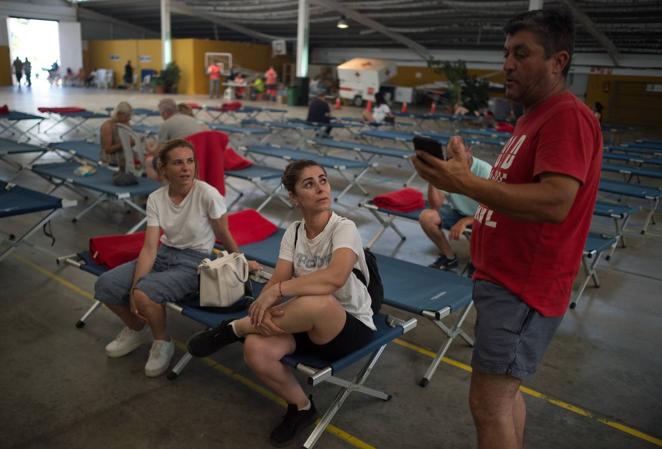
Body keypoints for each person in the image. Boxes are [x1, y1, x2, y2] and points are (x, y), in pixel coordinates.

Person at [411, 8, 602, 449]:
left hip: (525, 289)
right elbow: (508, 193)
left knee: (489, 404)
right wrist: (466, 177)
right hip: (504, 282)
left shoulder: (565, 116)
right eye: (505, 53)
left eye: (521, 53)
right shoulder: (530, 117)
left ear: (559, 61)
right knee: (504, 398)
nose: (507, 64)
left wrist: (464, 182)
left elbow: (556, 202)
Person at [187, 160, 376, 447]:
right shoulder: (295, 232)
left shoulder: (344, 228)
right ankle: (301, 407)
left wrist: (279, 291)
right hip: (305, 322)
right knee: (256, 348)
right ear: (294, 197)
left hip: (349, 325)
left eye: (322, 180)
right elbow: (277, 280)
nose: (320, 188)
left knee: (318, 301)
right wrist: (265, 298)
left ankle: (233, 329)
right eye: (308, 184)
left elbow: (335, 278)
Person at [94, 139, 262, 377]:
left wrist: (241, 262)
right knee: (106, 285)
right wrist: (133, 288)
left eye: (190, 161)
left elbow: (223, 234)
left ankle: (162, 341)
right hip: (163, 253)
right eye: (178, 163)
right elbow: (150, 247)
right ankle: (135, 327)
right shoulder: (156, 198)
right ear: (164, 169)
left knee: (145, 294)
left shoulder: (207, 194)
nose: (186, 168)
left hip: (194, 262)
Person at [419, 144, 492, 270]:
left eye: (456, 157)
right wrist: (432, 178)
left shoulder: (485, 171)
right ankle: (449, 257)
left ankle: (477, 263)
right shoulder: (448, 171)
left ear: (469, 152)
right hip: (459, 213)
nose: (453, 162)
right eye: (449, 158)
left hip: (485, 216)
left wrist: (465, 221)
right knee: (427, 217)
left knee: (493, 225)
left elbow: (493, 209)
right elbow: (435, 205)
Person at [99, 101, 133, 168]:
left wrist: (135, 141)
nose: (129, 118)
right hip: (110, 161)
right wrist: (125, 143)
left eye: (129, 116)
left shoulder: (126, 123)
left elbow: (130, 143)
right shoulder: (108, 126)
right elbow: (108, 150)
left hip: (124, 159)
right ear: (118, 114)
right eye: (126, 116)